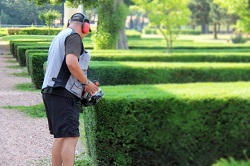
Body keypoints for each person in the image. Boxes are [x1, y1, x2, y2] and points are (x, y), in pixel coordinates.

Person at [41, 13, 98, 166]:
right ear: (85, 27)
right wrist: (86, 82)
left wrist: (84, 84)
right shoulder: (74, 37)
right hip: (63, 93)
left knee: (61, 136)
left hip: (52, 91)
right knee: (71, 137)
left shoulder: (60, 36)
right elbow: (71, 63)